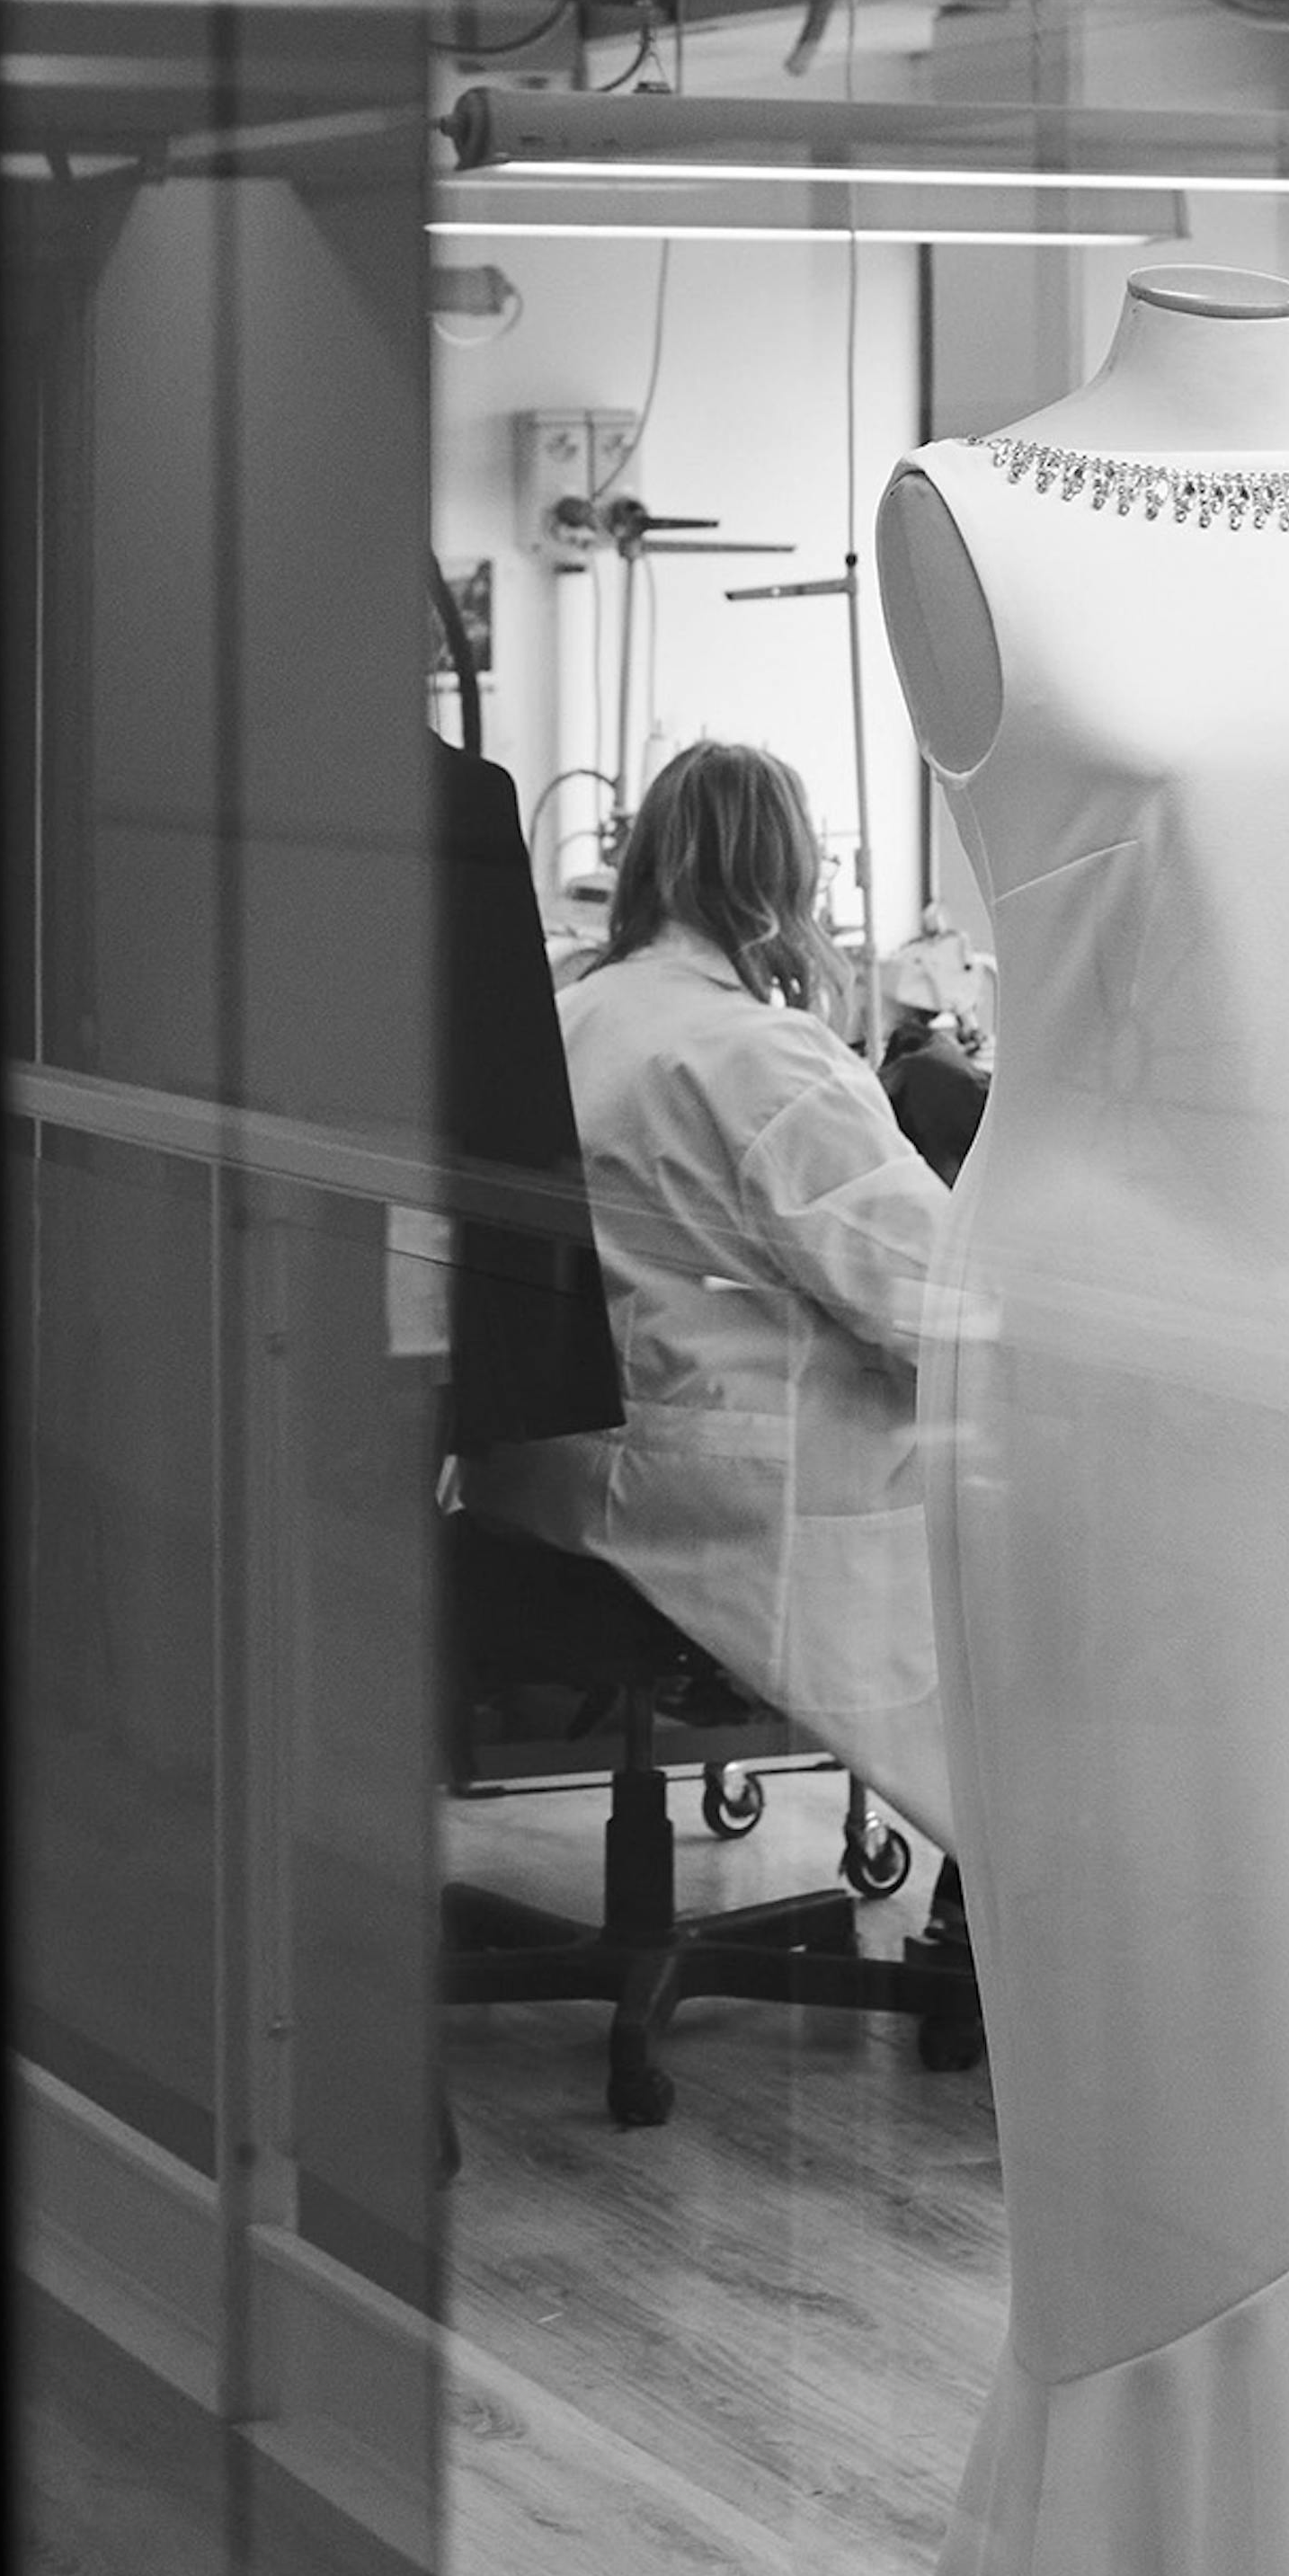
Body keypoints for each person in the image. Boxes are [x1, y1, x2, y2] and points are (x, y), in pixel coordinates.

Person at [466, 740, 956, 1850]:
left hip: (546, 1477)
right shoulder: (759, 1056)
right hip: (716, 1502)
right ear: (785, 882)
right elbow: (934, 1303)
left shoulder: (566, 1016)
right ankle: (1023, 1911)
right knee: (1051, 1552)